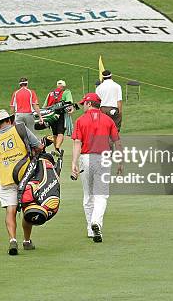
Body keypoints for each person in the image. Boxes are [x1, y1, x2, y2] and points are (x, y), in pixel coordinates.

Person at [0, 109, 44, 255]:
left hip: (6, 180)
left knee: (10, 211)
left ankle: (12, 240)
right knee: (28, 208)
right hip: (26, 177)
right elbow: (38, 146)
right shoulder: (20, 128)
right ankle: (27, 241)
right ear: (9, 120)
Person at [71, 93, 122, 243]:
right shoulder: (108, 120)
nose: (83, 107)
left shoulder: (80, 120)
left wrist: (73, 163)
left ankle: (90, 228)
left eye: (84, 104)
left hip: (86, 159)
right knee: (101, 196)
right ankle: (96, 223)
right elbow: (117, 142)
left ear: (89, 104)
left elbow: (77, 143)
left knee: (88, 195)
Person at [44, 80, 75, 151]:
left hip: (51, 115)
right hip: (61, 115)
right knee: (60, 133)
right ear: (64, 86)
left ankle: (56, 149)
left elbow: (45, 105)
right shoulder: (66, 92)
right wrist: (72, 109)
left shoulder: (50, 93)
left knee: (55, 133)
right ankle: (57, 147)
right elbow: (69, 102)